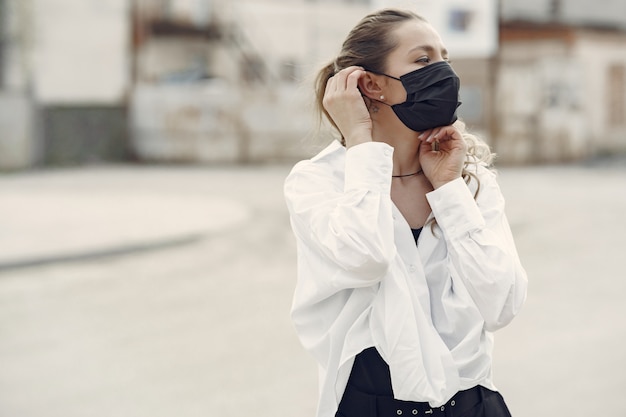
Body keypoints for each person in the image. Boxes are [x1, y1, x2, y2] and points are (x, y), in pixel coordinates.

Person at [283, 8, 527, 417]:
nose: (444, 73)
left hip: (473, 403)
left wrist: (448, 190)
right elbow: (366, 257)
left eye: (444, 58)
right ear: (370, 85)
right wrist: (360, 140)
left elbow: (501, 305)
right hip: (369, 406)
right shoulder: (318, 181)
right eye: (423, 59)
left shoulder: (470, 180)